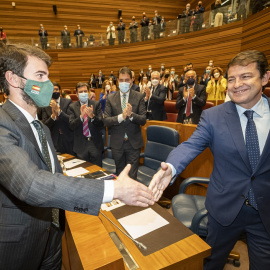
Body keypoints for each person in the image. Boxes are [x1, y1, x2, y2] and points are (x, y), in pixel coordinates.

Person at [0, 44, 154, 270]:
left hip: (52, 234)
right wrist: (114, 190)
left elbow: (53, 174)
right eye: (40, 76)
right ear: (13, 79)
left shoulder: (40, 127)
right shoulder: (3, 125)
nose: (49, 85)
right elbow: (32, 183)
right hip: (21, 244)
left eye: (48, 76)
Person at [149, 50, 270, 270]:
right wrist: (171, 168)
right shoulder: (213, 116)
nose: (236, 84)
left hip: (265, 212)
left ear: (265, 78)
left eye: (245, 76)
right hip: (224, 210)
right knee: (209, 263)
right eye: (231, 79)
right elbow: (190, 145)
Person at [104, 67, 146, 179]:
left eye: (127, 80)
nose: (124, 83)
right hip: (117, 144)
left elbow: (143, 119)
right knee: (120, 176)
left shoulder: (139, 96)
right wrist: (121, 117)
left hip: (133, 144)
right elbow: (106, 121)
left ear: (132, 80)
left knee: (132, 177)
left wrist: (131, 115)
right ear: (117, 81)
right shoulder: (111, 98)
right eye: (121, 80)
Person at [68, 82, 104, 166]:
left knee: (97, 173)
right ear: (77, 94)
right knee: (83, 173)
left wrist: (92, 116)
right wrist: (81, 116)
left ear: (88, 93)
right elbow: (71, 126)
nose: (83, 93)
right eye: (80, 92)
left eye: (85, 91)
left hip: (95, 144)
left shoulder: (96, 104)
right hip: (80, 146)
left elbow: (102, 124)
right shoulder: (72, 107)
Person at [40, 82, 74, 155]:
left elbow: (70, 120)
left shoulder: (68, 102)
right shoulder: (45, 105)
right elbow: (45, 124)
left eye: (56, 89)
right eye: (52, 89)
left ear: (60, 91)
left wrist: (59, 111)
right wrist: (53, 116)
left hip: (67, 138)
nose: (55, 91)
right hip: (53, 139)